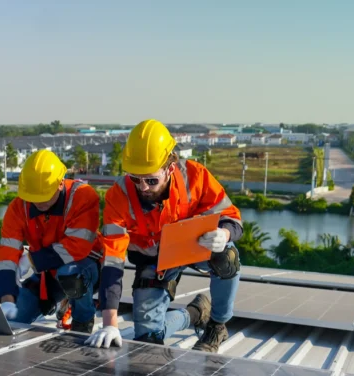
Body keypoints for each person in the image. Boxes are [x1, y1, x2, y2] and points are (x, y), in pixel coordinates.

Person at [86, 120, 243, 352]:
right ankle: (194, 314)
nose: (143, 187)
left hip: (193, 249)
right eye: (135, 178)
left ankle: (217, 325)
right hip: (154, 261)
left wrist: (225, 232)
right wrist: (110, 323)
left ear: (170, 168)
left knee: (227, 255)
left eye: (151, 180)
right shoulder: (118, 196)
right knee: (148, 339)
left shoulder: (195, 177)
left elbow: (233, 218)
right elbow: (112, 261)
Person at [0, 149, 102, 333]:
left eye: (43, 197)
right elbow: (7, 252)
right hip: (48, 273)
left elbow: (77, 247)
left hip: (85, 268)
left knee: (70, 274)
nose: (38, 203)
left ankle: (82, 322)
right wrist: (6, 297)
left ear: (60, 183)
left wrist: (31, 260)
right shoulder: (18, 207)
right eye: (32, 198)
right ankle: (60, 300)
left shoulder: (82, 196)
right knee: (14, 319)